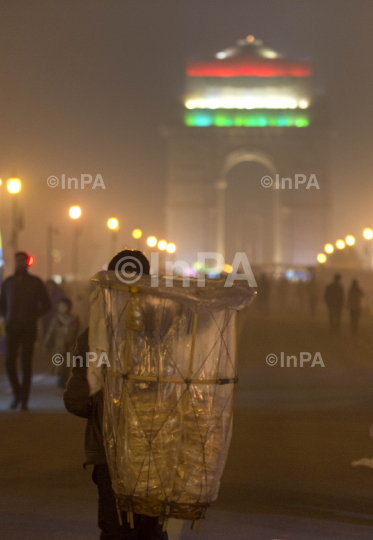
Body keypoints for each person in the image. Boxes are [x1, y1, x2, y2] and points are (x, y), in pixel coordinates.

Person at [64, 249, 168, 540]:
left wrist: (101, 408)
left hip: (110, 456)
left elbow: (74, 399)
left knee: (115, 530)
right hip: (157, 451)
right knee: (151, 529)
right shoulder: (167, 334)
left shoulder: (93, 337)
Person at [0, 251, 51, 410]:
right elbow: (2, 304)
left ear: (27, 263)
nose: (20, 263)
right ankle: (18, 393)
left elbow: (47, 304)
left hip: (28, 327)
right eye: (17, 261)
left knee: (26, 363)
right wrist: (6, 316)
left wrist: (34, 316)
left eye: (22, 261)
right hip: (12, 327)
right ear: (15, 262)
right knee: (9, 363)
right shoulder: (8, 282)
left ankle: (24, 400)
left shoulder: (36, 282)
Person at [44, 297, 80, 388]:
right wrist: (46, 344)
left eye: (64, 306)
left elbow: (79, 333)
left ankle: (68, 383)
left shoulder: (75, 319)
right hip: (59, 348)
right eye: (60, 306)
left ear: (69, 307)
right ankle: (61, 382)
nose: (62, 308)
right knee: (60, 366)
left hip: (71, 347)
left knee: (70, 365)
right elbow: (50, 332)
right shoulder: (56, 319)